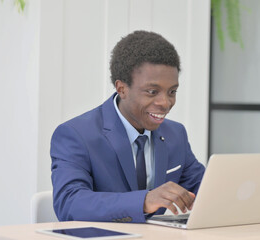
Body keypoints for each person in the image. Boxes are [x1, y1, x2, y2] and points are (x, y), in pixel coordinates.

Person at [50, 30, 206, 223]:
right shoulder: (76, 135)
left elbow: (205, 189)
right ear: (121, 89)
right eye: (152, 91)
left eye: (172, 91)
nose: (165, 103)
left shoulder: (175, 134)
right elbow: (70, 203)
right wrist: (144, 200)